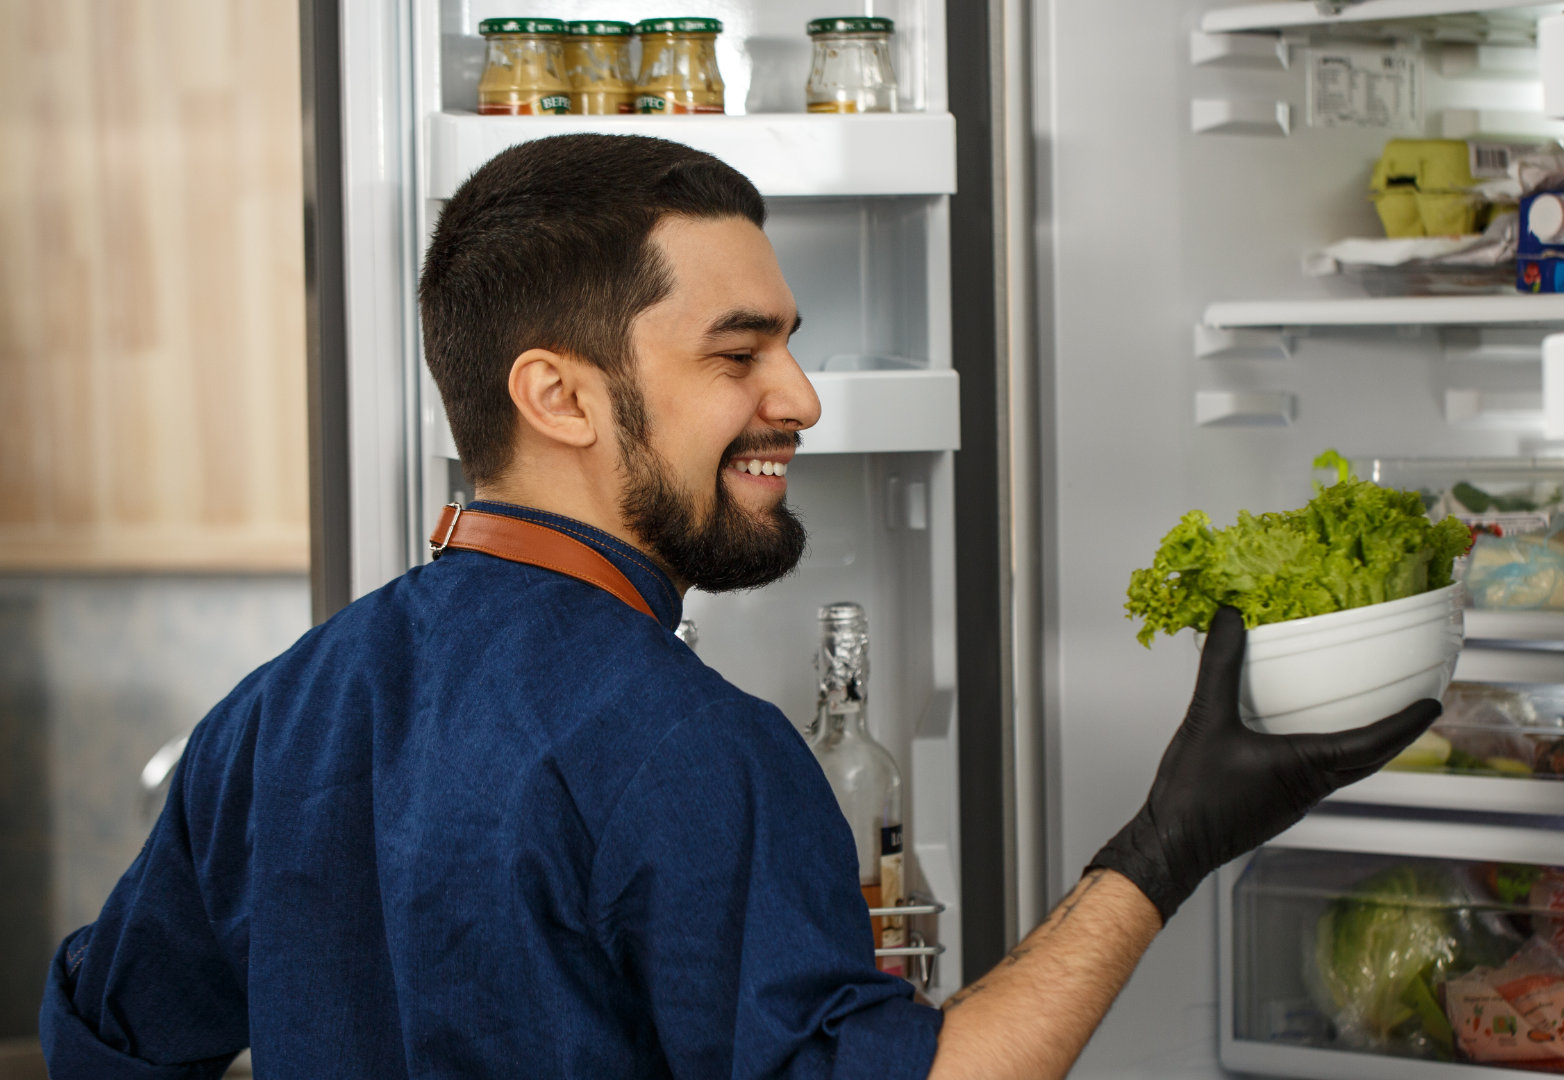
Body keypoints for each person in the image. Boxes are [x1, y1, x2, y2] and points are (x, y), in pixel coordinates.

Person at [39, 135, 1438, 1079]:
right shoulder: (681, 746)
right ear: (559, 394)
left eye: (791, 343)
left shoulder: (284, 707)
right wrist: (1169, 840)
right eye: (738, 351)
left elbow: (105, 1035)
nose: (800, 398)